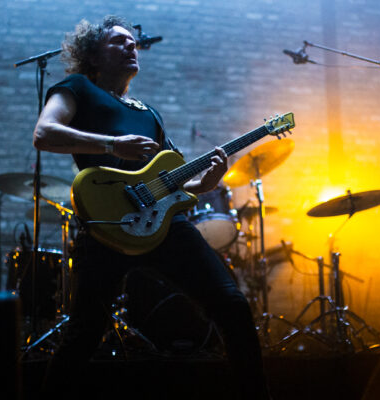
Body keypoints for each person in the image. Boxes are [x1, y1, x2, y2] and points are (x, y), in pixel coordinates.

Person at [32, 15, 270, 399]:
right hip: (106, 222)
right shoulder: (76, 87)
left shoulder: (148, 113)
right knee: (84, 335)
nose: (131, 46)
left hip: (164, 225)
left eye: (133, 42)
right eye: (118, 41)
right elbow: (44, 134)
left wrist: (204, 183)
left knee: (232, 305)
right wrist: (112, 145)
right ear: (93, 54)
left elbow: (170, 182)